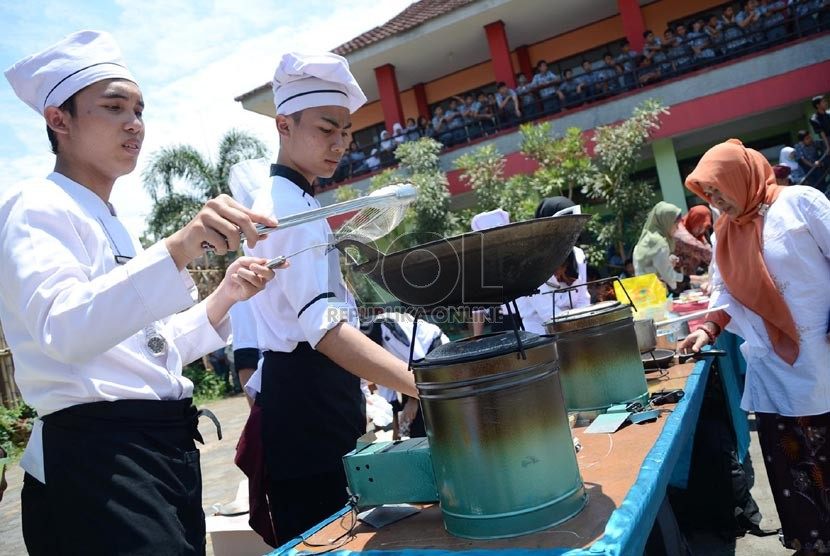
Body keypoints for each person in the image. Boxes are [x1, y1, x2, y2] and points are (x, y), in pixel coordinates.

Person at [1, 30, 280, 555]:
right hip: (99, 460)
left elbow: (146, 348)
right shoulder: (36, 206)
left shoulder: (105, 218)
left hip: (153, 450)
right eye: (113, 107)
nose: (135, 123)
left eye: (139, 109)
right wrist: (176, 249)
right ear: (58, 120)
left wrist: (226, 294)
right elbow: (63, 329)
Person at [239, 51, 418, 547]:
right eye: (325, 129)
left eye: (345, 131)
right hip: (305, 404)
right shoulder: (285, 211)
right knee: (327, 538)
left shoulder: (300, 201)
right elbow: (325, 331)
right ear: (283, 124)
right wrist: (425, 384)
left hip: (312, 400)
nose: (340, 143)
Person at [680, 138, 830, 555]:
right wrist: (707, 330)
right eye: (706, 195)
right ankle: (813, 543)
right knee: (793, 464)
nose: (714, 201)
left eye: (717, 190)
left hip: (822, 356)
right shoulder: (728, 228)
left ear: (738, 176)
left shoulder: (801, 202)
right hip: (772, 367)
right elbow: (724, 291)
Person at [514, 197, 590, 334]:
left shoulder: (578, 256)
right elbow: (548, 313)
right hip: (540, 338)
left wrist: (585, 325)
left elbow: (583, 299)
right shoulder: (530, 263)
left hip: (576, 332)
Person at [632, 201, 685, 291]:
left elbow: (650, 268)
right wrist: (694, 279)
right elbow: (668, 276)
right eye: (675, 224)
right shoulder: (659, 243)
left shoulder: (645, 240)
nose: (677, 228)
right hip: (655, 295)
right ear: (666, 222)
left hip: (643, 294)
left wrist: (668, 263)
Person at [672, 205, 713, 276]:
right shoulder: (679, 232)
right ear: (694, 220)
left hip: (687, 281)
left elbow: (707, 261)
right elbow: (703, 251)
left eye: (704, 228)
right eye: (699, 227)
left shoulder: (698, 236)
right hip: (672, 281)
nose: (701, 231)